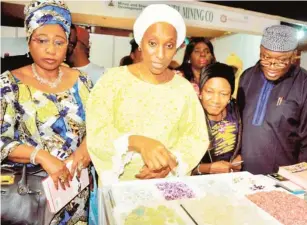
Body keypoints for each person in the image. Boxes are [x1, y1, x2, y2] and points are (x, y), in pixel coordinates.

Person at [86, 4, 209, 185]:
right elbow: (97, 134)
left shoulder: (183, 89)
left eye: (169, 45)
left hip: (167, 186)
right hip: (121, 188)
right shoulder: (112, 81)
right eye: (152, 43)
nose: (160, 54)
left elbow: (195, 137)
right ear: (140, 43)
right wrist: (137, 142)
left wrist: (171, 162)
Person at [0, 0, 93, 224]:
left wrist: (83, 153)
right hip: (29, 194)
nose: (51, 49)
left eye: (59, 42)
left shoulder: (82, 82)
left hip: (74, 192)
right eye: (42, 40)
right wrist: (41, 156)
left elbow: (100, 128)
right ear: (29, 41)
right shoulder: (9, 84)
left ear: (68, 46)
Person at [237, 25, 307, 175]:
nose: (272, 66)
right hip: (244, 175)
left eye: (281, 60)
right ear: (260, 50)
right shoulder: (247, 77)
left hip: (282, 178)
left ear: (294, 56)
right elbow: (238, 124)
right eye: (266, 57)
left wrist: (300, 180)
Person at [192, 62, 242, 175]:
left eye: (223, 94)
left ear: (230, 96)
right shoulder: (191, 115)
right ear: (200, 92)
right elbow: (176, 163)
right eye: (209, 92)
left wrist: (240, 157)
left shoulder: (235, 111)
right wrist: (206, 168)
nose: (216, 100)